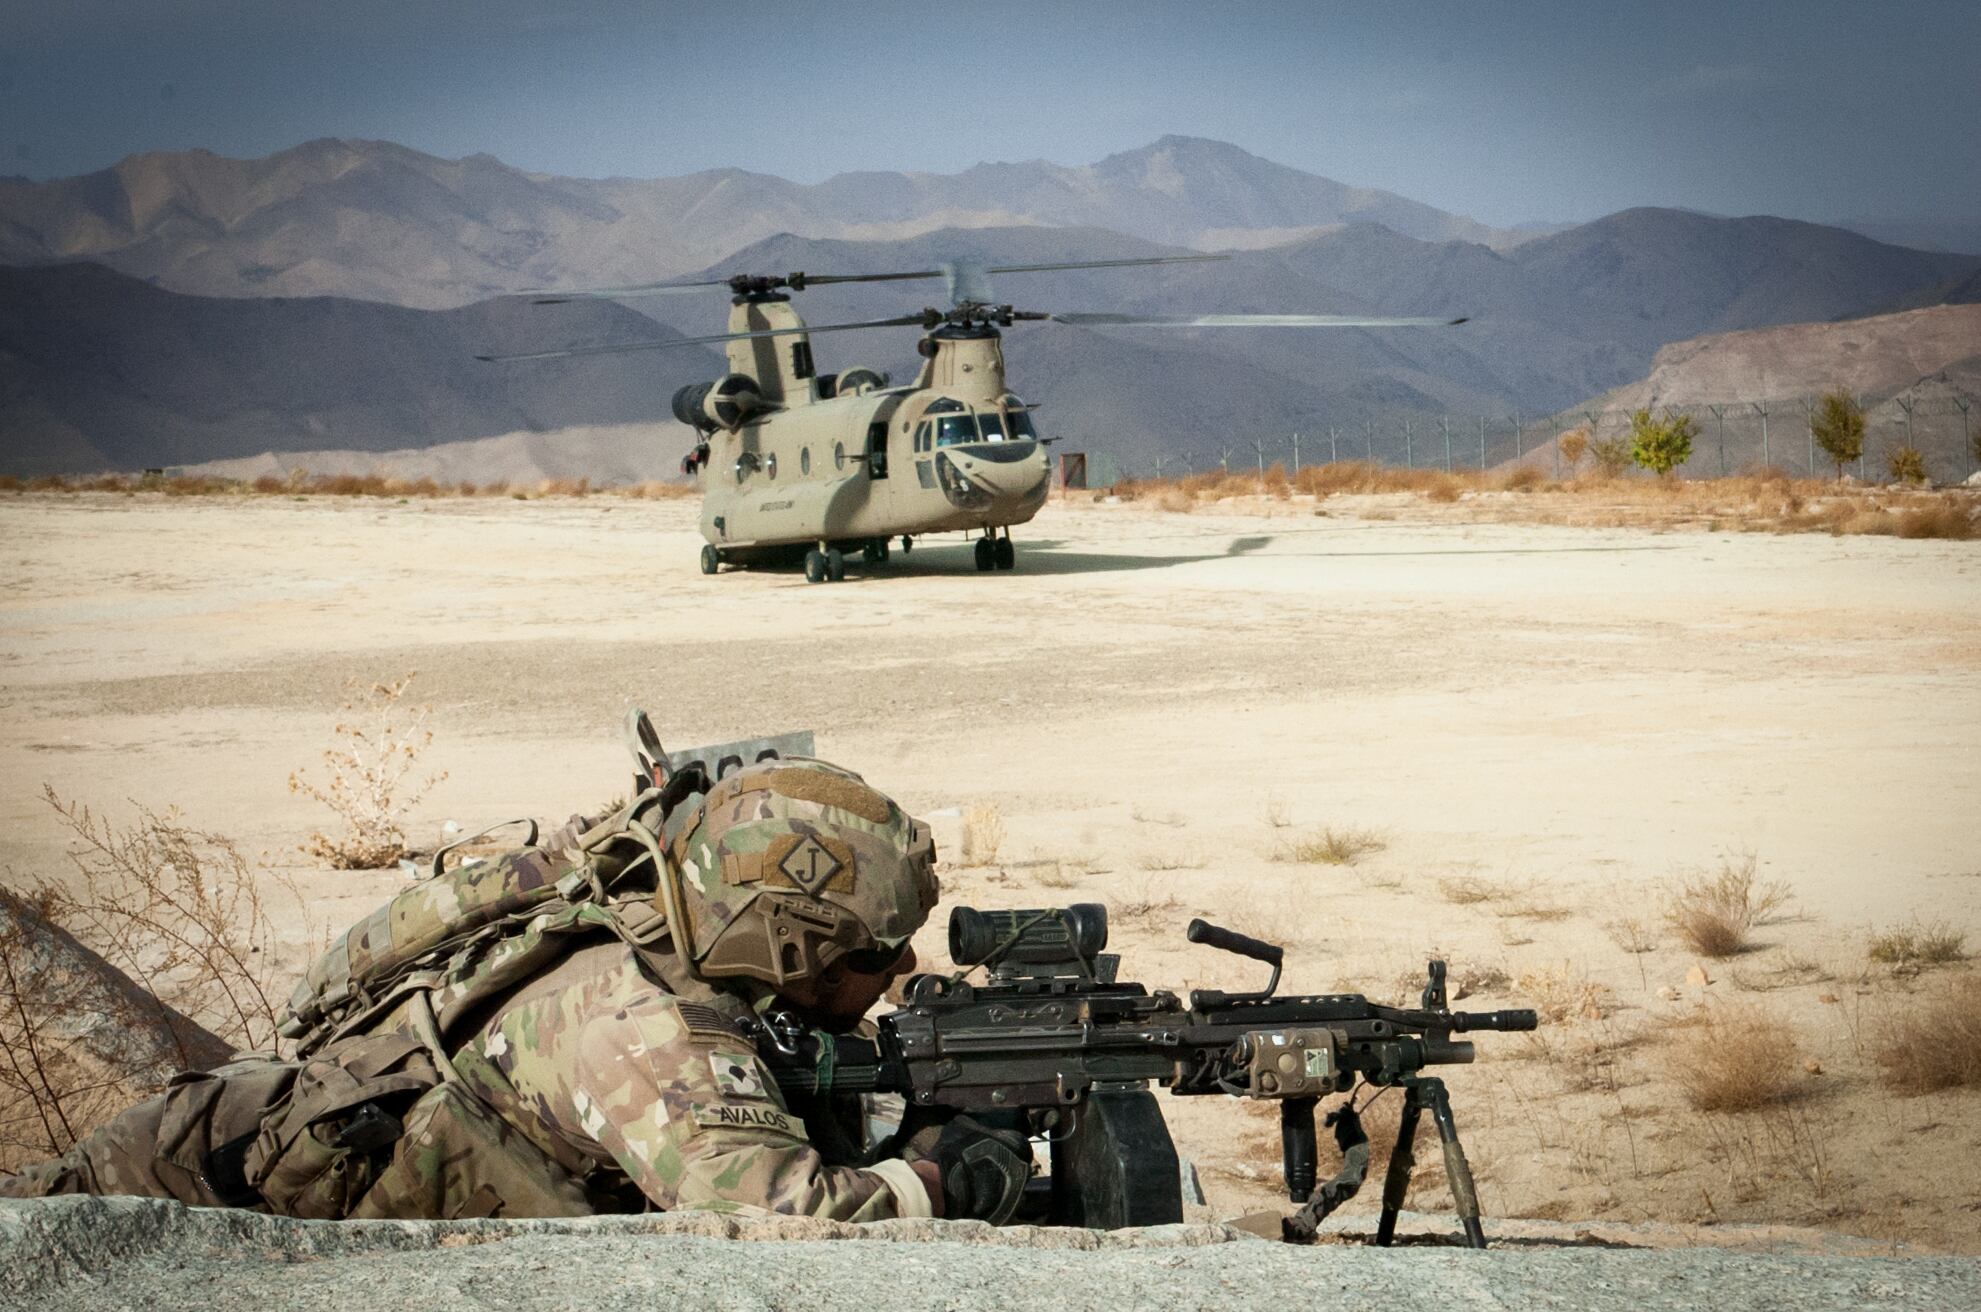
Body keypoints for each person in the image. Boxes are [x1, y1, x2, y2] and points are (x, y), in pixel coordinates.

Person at [1, 756, 1029, 1222]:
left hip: (228, 1135)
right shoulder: (650, 1029)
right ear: (791, 947)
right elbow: (774, 1213)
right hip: (190, 1184)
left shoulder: (653, 909)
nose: (901, 970)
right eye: (875, 947)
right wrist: (942, 1178)